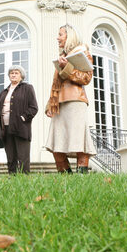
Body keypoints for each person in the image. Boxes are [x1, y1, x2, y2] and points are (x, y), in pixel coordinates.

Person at [45, 24, 96, 173]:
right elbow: (56, 84)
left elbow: (86, 78)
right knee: (56, 145)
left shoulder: (82, 51)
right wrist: (50, 104)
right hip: (59, 104)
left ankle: (81, 179)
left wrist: (67, 68)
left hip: (75, 101)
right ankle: (66, 179)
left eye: (60, 34)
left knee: (79, 141)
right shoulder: (63, 57)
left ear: (70, 36)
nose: (57, 37)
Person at [0, 65, 38, 174]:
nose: (13, 75)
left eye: (16, 73)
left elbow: (33, 108)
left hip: (21, 128)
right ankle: (12, 180)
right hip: (6, 129)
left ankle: (24, 181)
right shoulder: (4, 92)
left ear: (21, 76)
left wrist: (22, 118)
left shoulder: (27, 88)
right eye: (11, 73)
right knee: (11, 157)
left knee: (23, 157)